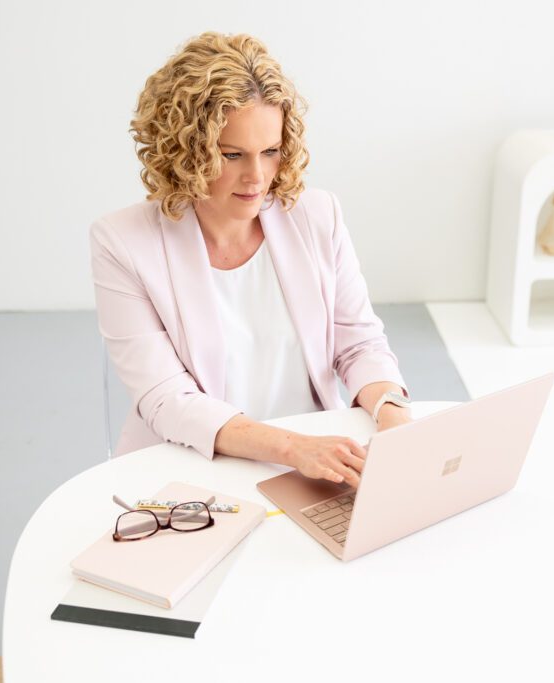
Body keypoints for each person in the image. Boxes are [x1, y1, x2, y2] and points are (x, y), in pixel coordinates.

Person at [90, 31, 411, 488]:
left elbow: (357, 344)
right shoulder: (123, 242)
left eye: (271, 151)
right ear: (185, 151)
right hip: (197, 468)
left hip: (318, 467)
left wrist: (392, 413)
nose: (256, 177)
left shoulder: (317, 216)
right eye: (232, 155)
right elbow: (167, 399)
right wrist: (292, 448)